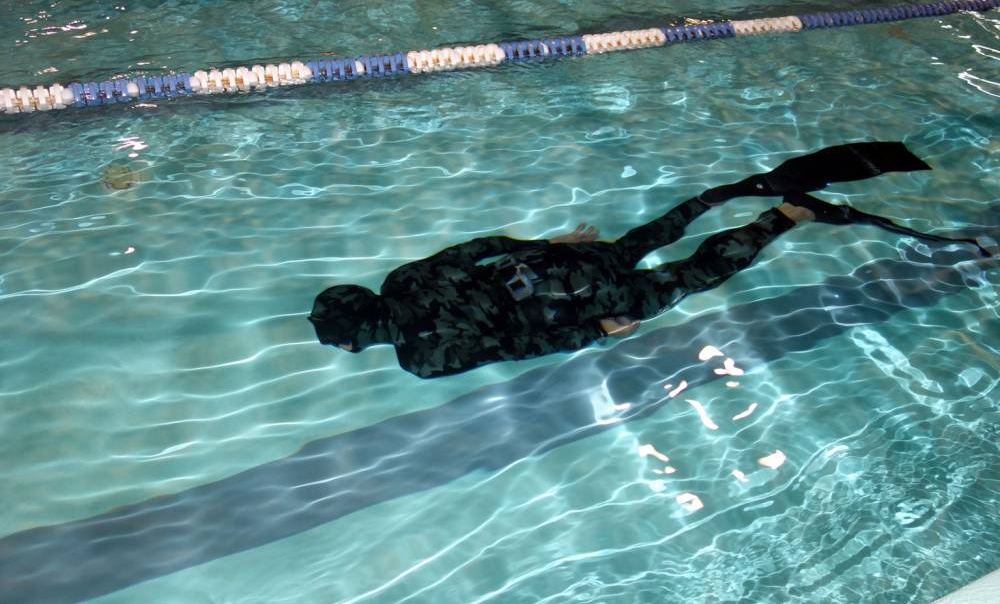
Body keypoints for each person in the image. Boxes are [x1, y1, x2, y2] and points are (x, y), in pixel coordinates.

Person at [309, 142, 989, 378]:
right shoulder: (401, 279)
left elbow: (515, 346)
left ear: (359, 337)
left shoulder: (421, 358)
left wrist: (595, 332)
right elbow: (480, 249)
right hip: (555, 269)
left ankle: (786, 215)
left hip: (580, 305)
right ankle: (728, 194)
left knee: (692, 274)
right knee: (652, 234)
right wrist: (552, 246)